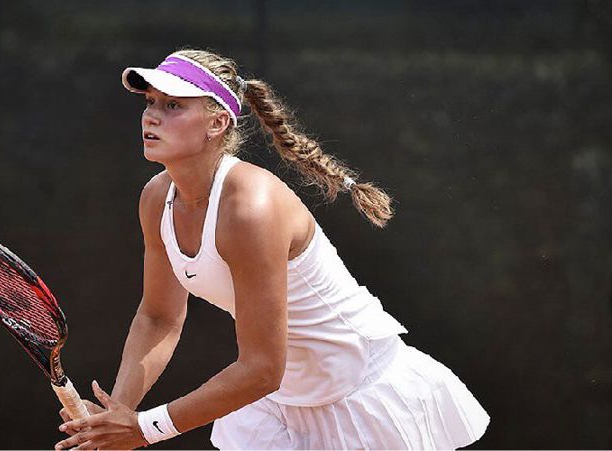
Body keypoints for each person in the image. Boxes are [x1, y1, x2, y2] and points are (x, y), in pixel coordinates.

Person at [54, 49, 490, 450]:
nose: (151, 116)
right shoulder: (156, 199)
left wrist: (144, 429)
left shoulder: (250, 208)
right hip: (279, 400)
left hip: (359, 392)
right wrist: (115, 416)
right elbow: (159, 317)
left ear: (216, 123)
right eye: (150, 102)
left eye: (173, 106)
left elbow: (262, 368)